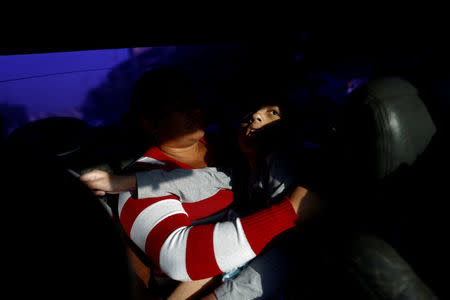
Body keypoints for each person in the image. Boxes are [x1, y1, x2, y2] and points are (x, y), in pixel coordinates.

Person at [80, 68, 322, 299]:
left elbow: (223, 178)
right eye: (178, 107)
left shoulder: (231, 141)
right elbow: (181, 256)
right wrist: (291, 211)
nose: (194, 111)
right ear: (149, 122)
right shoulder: (138, 184)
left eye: (194, 102)